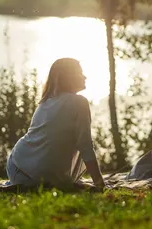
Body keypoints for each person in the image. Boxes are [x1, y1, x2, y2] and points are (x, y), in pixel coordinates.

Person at [6, 58, 106, 190]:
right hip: (34, 173)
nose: (85, 77)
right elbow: (85, 145)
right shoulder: (79, 102)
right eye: (80, 73)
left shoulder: (45, 102)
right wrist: (100, 184)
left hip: (18, 170)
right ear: (69, 77)